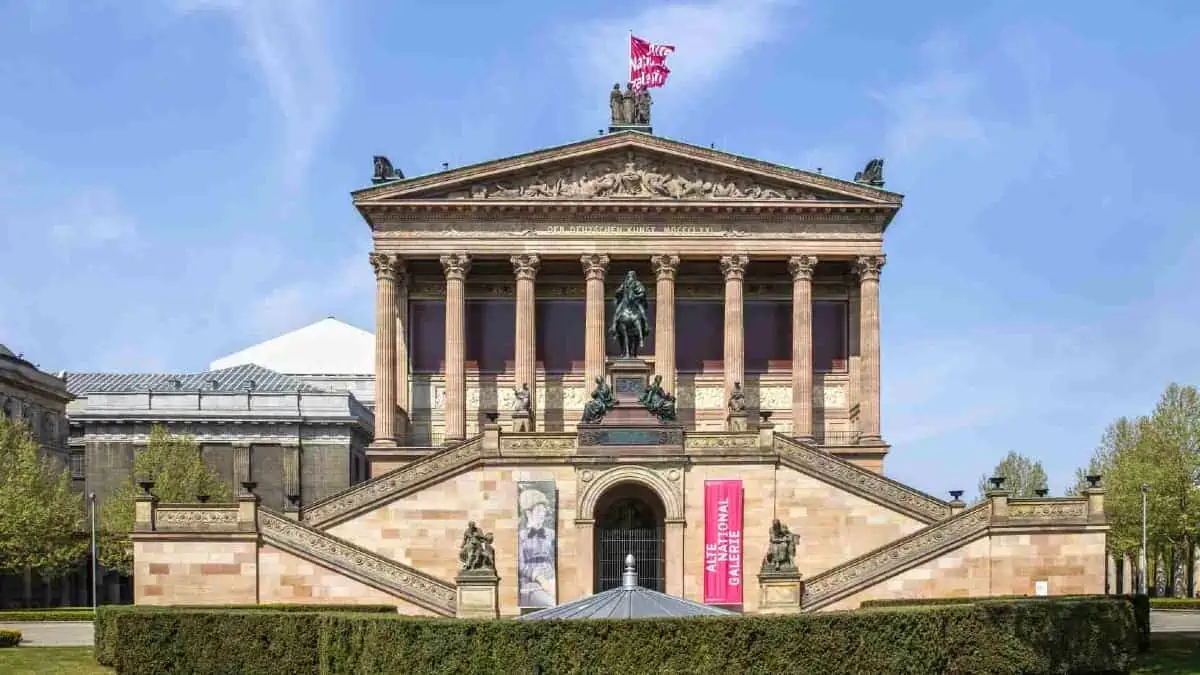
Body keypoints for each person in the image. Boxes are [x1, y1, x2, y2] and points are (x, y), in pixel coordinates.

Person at [518, 487, 556, 607]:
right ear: (528, 513)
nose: (543, 514)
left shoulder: (551, 534)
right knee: (551, 603)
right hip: (532, 584)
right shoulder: (521, 536)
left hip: (552, 581)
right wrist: (541, 579)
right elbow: (520, 564)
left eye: (544, 511)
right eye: (539, 510)